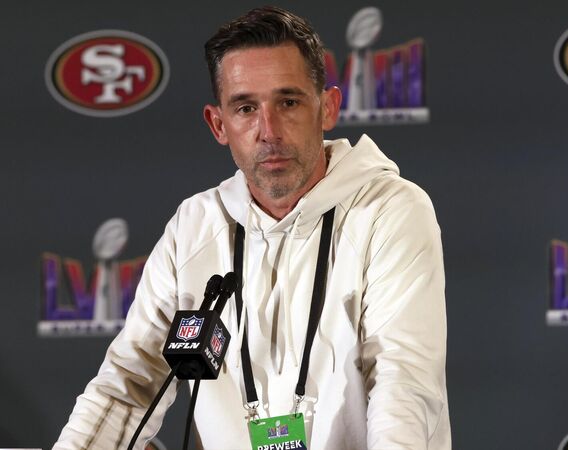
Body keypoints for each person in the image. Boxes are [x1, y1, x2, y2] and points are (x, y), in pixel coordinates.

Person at [55, 6, 450, 449]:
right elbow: (127, 384)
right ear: (218, 124)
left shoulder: (390, 211)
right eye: (246, 108)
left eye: (288, 102)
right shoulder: (194, 227)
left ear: (328, 108)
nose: (269, 130)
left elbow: (403, 383)